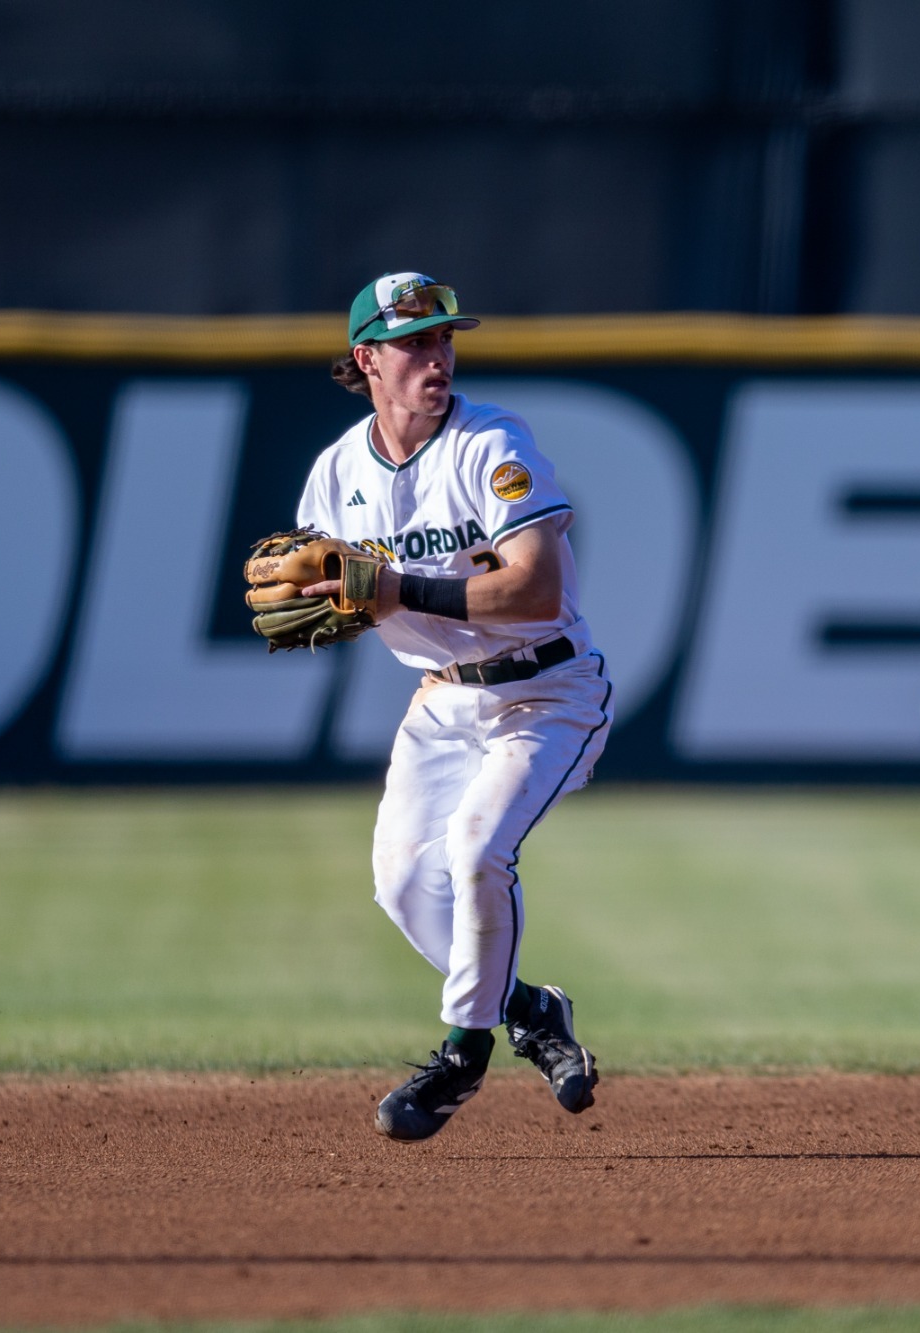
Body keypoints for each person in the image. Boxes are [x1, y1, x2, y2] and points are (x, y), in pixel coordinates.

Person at [293, 272, 611, 1141]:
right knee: (400, 885)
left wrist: (398, 586)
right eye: (414, 344)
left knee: (476, 849)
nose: (436, 357)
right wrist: (340, 604)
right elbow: (342, 594)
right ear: (368, 361)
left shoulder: (489, 442)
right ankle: (530, 1009)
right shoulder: (335, 476)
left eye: (444, 339)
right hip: (442, 702)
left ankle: (462, 1053)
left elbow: (538, 589)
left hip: (550, 688)